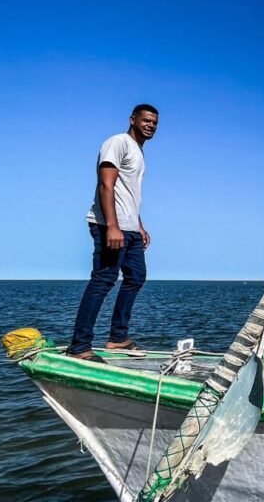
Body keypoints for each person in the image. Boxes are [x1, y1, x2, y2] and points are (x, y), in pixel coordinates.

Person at [67, 104, 159, 362]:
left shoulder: (139, 152)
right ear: (133, 119)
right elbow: (106, 185)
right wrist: (113, 226)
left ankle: (117, 338)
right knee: (103, 280)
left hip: (129, 228)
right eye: (146, 120)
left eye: (154, 123)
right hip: (110, 225)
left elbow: (128, 192)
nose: (150, 125)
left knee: (136, 278)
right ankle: (79, 346)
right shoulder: (117, 142)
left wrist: (138, 224)